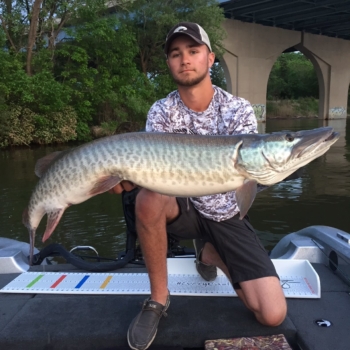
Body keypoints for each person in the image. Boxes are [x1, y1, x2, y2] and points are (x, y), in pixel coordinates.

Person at [111, 22, 287, 350]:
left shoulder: (238, 109)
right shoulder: (161, 111)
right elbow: (152, 171)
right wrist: (123, 177)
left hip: (226, 212)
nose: (185, 59)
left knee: (271, 313)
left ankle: (209, 252)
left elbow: (249, 175)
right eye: (176, 54)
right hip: (183, 205)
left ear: (210, 58)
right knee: (147, 198)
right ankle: (158, 300)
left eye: (193, 51)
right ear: (169, 63)